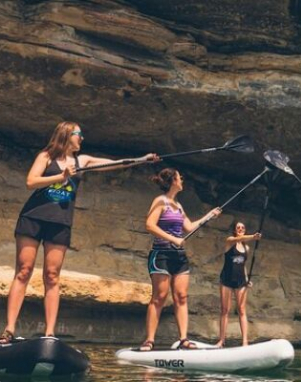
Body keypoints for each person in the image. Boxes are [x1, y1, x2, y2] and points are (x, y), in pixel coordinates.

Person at [0, 121, 158, 344]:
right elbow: (30, 181)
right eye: (78, 134)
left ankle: (50, 333)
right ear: (66, 135)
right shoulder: (46, 156)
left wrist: (143, 160)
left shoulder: (81, 161)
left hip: (60, 223)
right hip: (33, 218)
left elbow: (117, 164)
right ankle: (9, 329)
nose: (82, 138)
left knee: (52, 276)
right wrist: (61, 176)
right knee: (23, 271)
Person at [140, 167, 221, 351]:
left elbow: (189, 226)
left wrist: (209, 216)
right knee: (159, 297)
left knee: (182, 296)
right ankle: (149, 340)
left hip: (179, 257)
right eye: (179, 177)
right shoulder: (160, 201)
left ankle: (184, 339)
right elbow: (149, 225)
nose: (182, 179)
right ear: (172, 181)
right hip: (161, 254)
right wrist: (173, 239)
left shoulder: (178, 205)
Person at [215, 221, 261, 348]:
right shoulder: (230, 241)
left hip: (240, 281)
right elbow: (239, 239)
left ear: (244, 230)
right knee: (225, 310)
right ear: (235, 231)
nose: (240, 229)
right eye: (238, 228)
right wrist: (253, 237)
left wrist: (247, 279)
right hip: (226, 279)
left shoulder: (246, 248)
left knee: (241, 310)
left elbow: (243, 265)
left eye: (242, 227)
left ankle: (245, 341)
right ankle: (221, 341)